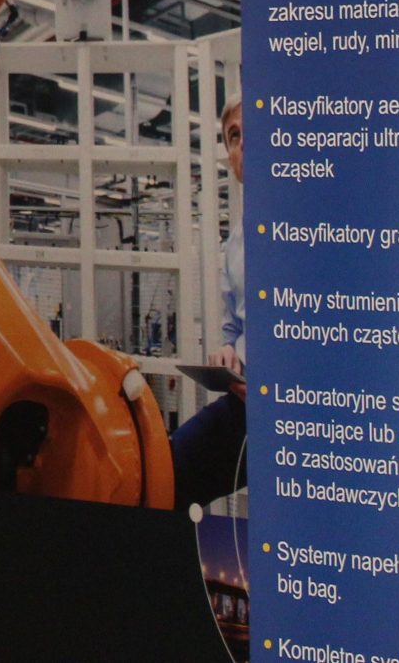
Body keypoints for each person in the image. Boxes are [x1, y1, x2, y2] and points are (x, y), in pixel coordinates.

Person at [171, 94, 246, 513]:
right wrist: (227, 352)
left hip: (308, 413)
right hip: (246, 404)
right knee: (168, 474)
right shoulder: (237, 243)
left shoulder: (320, 223)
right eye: (233, 136)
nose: (243, 143)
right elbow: (234, 327)